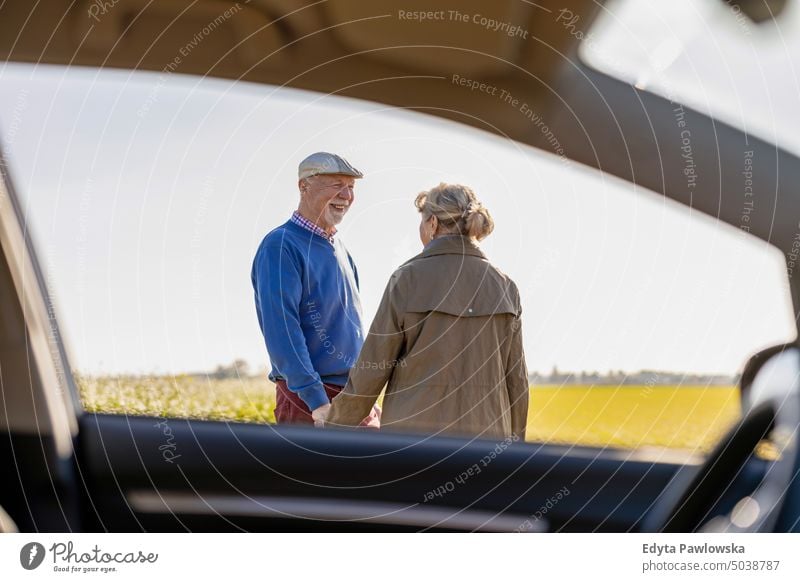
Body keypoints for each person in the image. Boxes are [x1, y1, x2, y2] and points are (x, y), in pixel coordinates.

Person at [323, 183, 529, 439]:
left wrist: (333, 428)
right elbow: (517, 381)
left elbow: (372, 369)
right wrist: (517, 445)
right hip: (487, 447)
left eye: (422, 222)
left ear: (432, 223)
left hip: (415, 448)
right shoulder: (506, 287)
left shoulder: (407, 279)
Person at [251, 152, 379, 427]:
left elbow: (351, 331)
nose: (346, 195)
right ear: (303, 186)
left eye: (351, 187)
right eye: (336, 185)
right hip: (310, 402)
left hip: (351, 399)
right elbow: (282, 329)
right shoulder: (281, 245)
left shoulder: (343, 251)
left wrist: (366, 399)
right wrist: (316, 401)